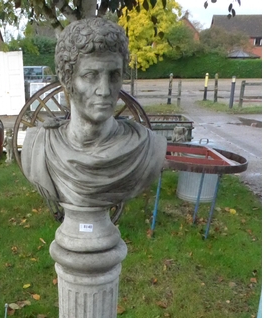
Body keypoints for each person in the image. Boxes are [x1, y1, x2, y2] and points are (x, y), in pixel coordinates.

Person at [21, 17, 167, 208]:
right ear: (67, 79)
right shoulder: (38, 147)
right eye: (91, 76)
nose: (105, 90)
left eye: (114, 75)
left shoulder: (147, 148)